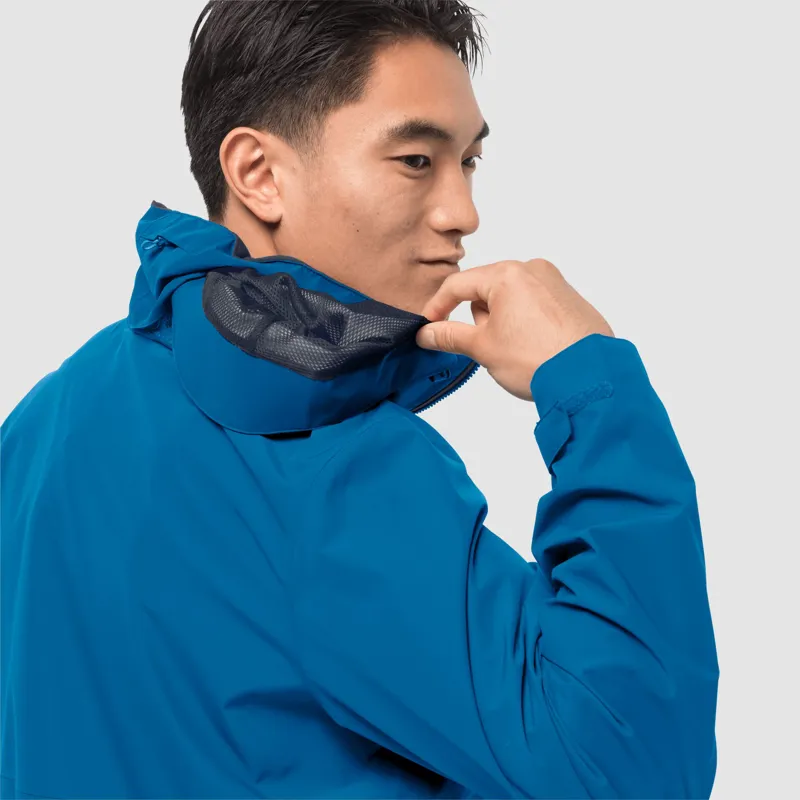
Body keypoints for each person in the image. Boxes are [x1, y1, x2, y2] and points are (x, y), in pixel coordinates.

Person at [0, 1, 719, 798]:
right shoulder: (322, 460)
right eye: (416, 159)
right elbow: (632, 767)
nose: (463, 213)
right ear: (258, 173)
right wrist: (589, 382)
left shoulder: (42, 423)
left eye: (469, 161)